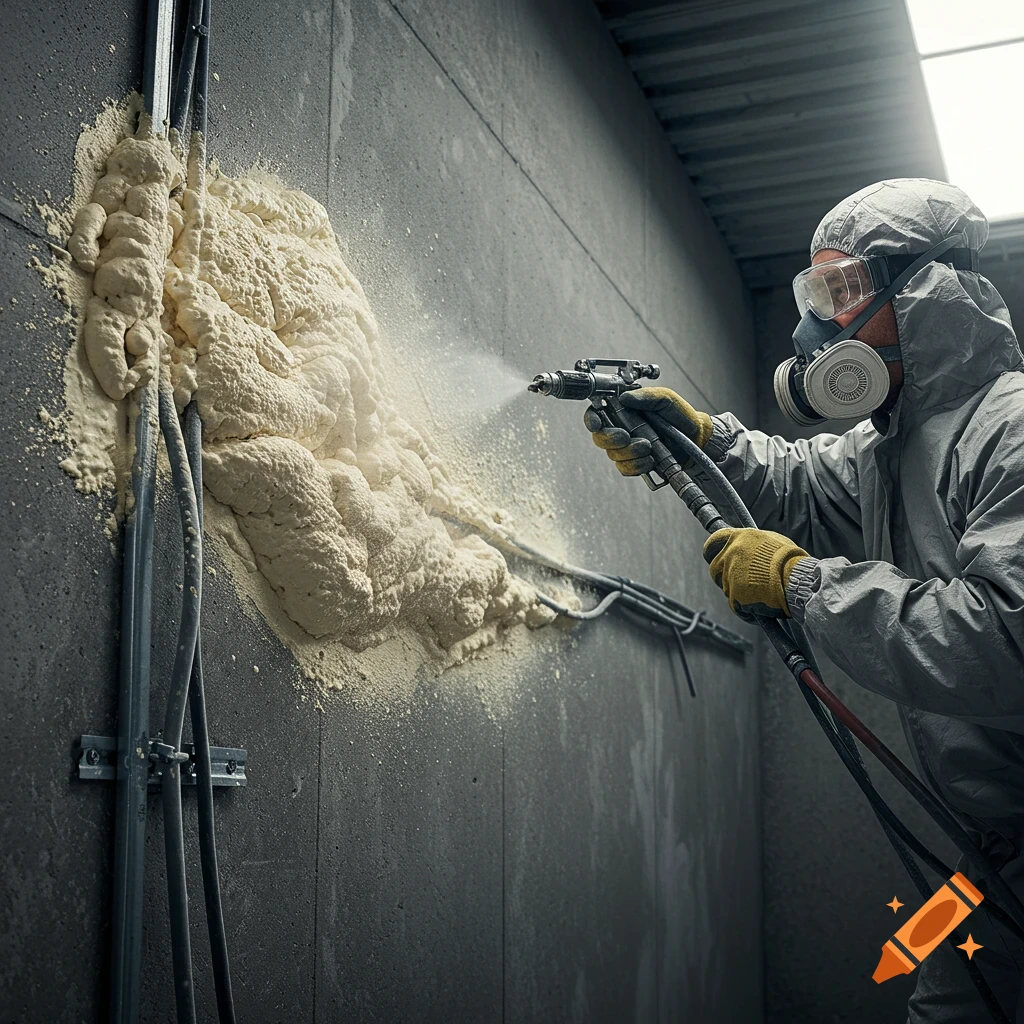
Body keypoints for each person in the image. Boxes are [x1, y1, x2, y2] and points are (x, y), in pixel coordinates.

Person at [586, 178, 1024, 1022]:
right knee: (938, 995)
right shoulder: (887, 448)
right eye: (815, 294)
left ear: (930, 289)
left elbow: (1005, 640)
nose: (819, 326)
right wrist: (701, 438)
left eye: (846, 292)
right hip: (991, 853)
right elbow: (796, 481)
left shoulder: (1008, 429)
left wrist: (803, 584)